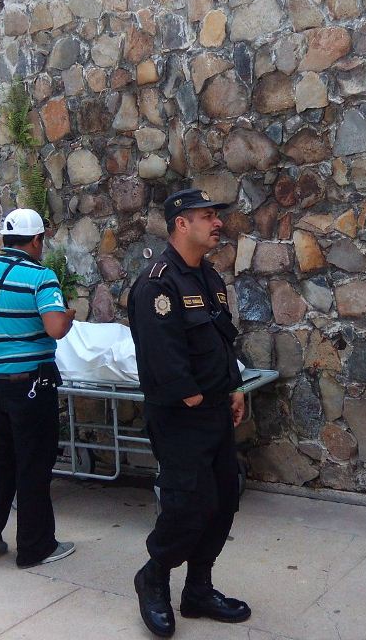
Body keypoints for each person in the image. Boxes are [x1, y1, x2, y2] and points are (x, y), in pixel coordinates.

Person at [127, 188, 250, 638]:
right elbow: (161, 355)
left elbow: (221, 340)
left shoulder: (208, 278)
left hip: (216, 411)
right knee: (187, 505)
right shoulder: (158, 282)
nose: (217, 223)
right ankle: (154, 575)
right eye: (206, 216)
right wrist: (194, 397)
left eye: (216, 216)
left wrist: (234, 387)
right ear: (181, 223)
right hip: (182, 417)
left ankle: (198, 589)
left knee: (222, 501)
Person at [0, 208, 76, 569]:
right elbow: (55, 328)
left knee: (5, 452)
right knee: (35, 462)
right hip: (30, 385)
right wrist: (67, 316)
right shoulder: (41, 277)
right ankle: (36, 547)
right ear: (37, 240)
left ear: (5, 239)